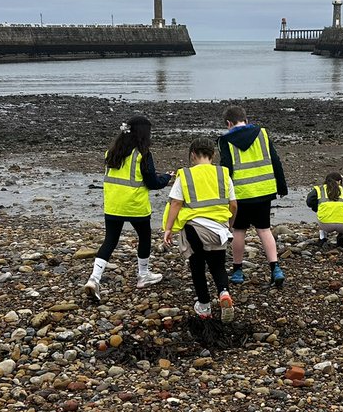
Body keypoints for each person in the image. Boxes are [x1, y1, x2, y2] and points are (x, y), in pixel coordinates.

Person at [84, 115, 172, 300]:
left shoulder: (111, 153)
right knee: (144, 237)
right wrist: (166, 177)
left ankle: (94, 278)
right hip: (135, 206)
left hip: (113, 205)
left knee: (110, 240)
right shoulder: (143, 154)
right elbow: (152, 182)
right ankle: (143, 275)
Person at [161, 138, 237, 321]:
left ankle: (204, 307)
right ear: (213, 155)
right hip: (219, 229)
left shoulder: (185, 175)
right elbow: (233, 205)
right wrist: (229, 225)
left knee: (197, 267)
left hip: (194, 228)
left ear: (193, 155)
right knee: (218, 266)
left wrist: (168, 229)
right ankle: (224, 293)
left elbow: (176, 204)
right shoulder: (223, 174)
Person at [217, 105, 288, 287]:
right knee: (264, 229)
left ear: (228, 123)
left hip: (240, 194)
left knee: (239, 231)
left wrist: (223, 194)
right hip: (264, 191)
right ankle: (275, 268)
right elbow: (275, 160)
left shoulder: (225, 141)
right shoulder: (262, 134)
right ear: (246, 120)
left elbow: (226, 168)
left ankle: (238, 271)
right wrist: (281, 186)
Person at [305, 172, 343, 249]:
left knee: (321, 213)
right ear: (339, 181)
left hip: (326, 224)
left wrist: (317, 208)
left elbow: (309, 202)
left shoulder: (319, 189)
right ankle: (341, 235)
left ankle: (322, 237)